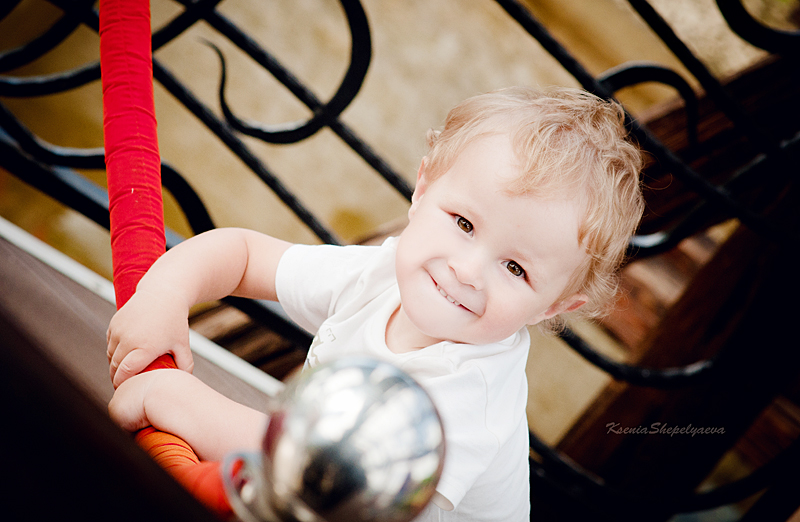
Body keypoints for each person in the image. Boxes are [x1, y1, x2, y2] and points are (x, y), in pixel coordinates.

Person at [107, 86, 644, 521]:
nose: (467, 271)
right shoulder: (382, 275)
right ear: (422, 190)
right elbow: (246, 256)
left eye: (515, 269)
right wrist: (165, 295)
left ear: (553, 307)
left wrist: (171, 396)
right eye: (463, 223)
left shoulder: (469, 394)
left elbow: (327, 474)